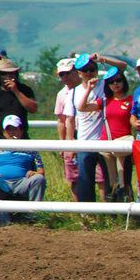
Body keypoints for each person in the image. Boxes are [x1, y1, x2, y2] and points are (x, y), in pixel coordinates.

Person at [64, 53, 127, 202]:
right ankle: (88, 215)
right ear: (79, 73)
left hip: (105, 141)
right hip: (84, 142)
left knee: (110, 179)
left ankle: (113, 212)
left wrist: (101, 58)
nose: (89, 73)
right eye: (85, 70)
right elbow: (70, 120)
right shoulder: (73, 93)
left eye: (92, 69)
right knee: (85, 181)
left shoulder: (106, 85)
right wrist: (69, 144)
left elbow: (122, 67)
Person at [0, 115, 45, 225]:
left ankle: (31, 217)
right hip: (1, 182)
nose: (11, 132)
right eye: (8, 129)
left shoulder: (30, 148)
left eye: (14, 128)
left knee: (38, 179)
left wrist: (35, 173)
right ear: (4, 132)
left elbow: (41, 171)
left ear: (21, 130)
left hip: (21, 181)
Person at [99, 68, 135, 201]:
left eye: (118, 80)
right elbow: (82, 107)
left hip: (123, 145)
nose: (115, 84)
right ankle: (112, 215)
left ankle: (127, 212)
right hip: (106, 145)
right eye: (111, 82)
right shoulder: (104, 101)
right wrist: (89, 88)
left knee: (124, 181)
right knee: (110, 182)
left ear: (123, 81)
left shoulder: (131, 100)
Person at [0, 58, 37, 140]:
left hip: (21, 139)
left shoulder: (25, 90)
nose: (8, 76)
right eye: (4, 74)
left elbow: (33, 109)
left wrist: (16, 91)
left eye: (12, 73)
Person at [53, 58, 83, 202]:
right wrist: (63, 144)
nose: (65, 77)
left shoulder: (87, 89)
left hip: (88, 135)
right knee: (73, 177)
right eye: (62, 74)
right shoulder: (61, 94)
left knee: (98, 176)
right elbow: (61, 121)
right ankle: (80, 212)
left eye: (68, 73)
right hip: (71, 137)